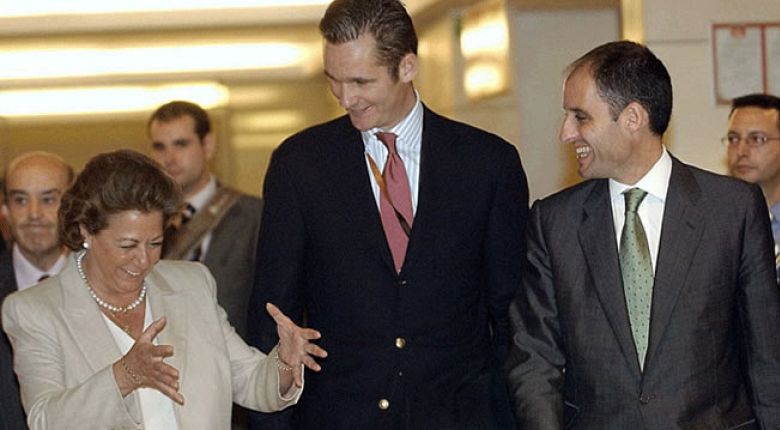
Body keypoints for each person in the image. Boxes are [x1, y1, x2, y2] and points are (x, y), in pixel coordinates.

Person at [247, 0, 528, 428]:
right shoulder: (300, 166)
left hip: (459, 415)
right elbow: (272, 314)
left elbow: (512, 316)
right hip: (340, 415)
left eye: (361, 81)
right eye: (334, 82)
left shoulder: (487, 164)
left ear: (408, 66)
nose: (346, 98)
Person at [506, 41, 780, 428]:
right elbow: (534, 358)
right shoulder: (554, 221)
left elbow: (768, 360)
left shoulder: (731, 209)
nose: (566, 132)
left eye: (580, 117)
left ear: (632, 118)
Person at [2, 150, 327, 429]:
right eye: (127, 245)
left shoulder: (191, 284)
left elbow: (250, 381)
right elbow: (44, 419)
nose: (143, 260)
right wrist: (123, 375)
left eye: (155, 243)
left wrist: (284, 362)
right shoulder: (35, 309)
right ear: (86, 231)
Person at [148, 101, 262, 337]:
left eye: (181, 144)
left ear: (207, 145)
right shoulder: (144, 222)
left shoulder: (253, 216)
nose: (169, 158)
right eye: (160, 147)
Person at [725, 93, 780, 393]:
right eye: (732, 139)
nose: (740, 151)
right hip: (736, 392)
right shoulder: (710, 228)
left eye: (756, 139)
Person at [0, 151, 74, 429]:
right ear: (5, 208)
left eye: (48, 200)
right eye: (20, 200)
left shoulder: (111, 285)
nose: (34, 214)